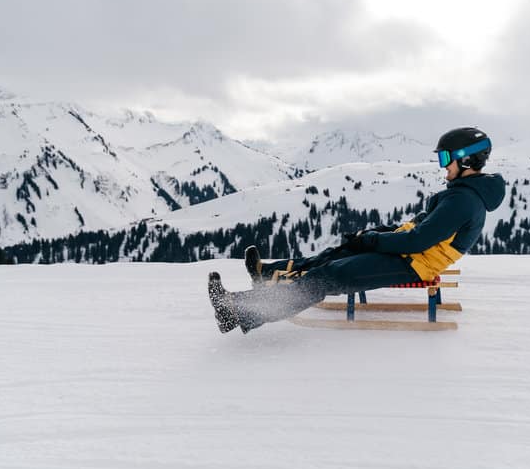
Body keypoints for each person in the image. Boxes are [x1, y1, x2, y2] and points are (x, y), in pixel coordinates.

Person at [208, 127, 506, 334]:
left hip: (413, 264)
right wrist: (375, 235)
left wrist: (373, 241)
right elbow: (419, 227)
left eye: (445, 158)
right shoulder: (462, 195)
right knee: (334, 258)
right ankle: (258, 288)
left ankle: (239, 311)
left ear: (466, 159)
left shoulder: (463, 201)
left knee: (329, 276)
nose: (443, 167)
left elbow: (419, 240)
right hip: (408, 255)